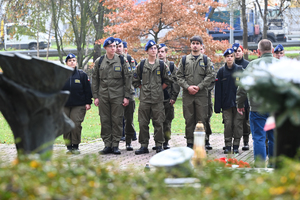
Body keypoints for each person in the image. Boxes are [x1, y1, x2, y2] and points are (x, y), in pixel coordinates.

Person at [236, 39, 277, 167]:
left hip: (257, 108)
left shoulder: (253, 65)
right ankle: (274, 166)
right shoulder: (280, 64)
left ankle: (260, 168)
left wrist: (240, 104)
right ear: (272, 50)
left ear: (258, 51)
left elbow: (243, 86)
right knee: (274, 138)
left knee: (259, 138)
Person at [91, 37, 132, 155]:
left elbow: (128, 79)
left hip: (118, 95)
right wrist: (96, 96)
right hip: (103, 95)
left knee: (117, 120)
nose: (113, 48)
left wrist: (126, 96)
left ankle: (115, 145)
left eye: (114, 46)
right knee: (105, 120)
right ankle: (107, 145)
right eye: (110, 46)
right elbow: (95, 79)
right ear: (105, 48)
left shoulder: (122, 60)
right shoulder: (100, 61)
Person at [132, 40, 173, 154]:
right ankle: (144, 145)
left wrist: (160, 88)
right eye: (151, 48)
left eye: (155, 48)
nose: (154, 50)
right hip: (145, 100)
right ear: (147, 51)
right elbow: (134, 79)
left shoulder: (161, 65)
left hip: (157, 99)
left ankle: (159, 145)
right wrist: (142, 87)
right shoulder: (141, 65)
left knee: (159, 122)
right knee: (143, 123)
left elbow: (169, 79)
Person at [176, 35, 215, 148]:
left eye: (197, 43)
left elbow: (210, 75)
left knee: (202, 119)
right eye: (193, 43)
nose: (195, 45)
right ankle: (189, 142)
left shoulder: (206, 60)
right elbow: (179, 76)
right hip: (188, 95)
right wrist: (187, 87)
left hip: (201, 94)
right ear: (190, 45)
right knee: (189, 118)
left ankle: (201, 143)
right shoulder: (184, 60)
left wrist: (200, 87)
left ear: (201, 45)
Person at [214, 48, 244, 154]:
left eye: (231, 56)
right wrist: (217, 106)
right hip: (226, 104)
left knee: (237, 125)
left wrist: (244, 103)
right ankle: (227, 145)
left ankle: (236, 145)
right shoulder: (221, 71)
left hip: (238, 104)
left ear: (234, 57)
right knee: (227, 125)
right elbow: (218, 90)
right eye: (227, 56)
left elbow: (245, 87)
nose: (230, 58)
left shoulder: (240, 70)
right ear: (225, 58)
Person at [62, 53, 93, 154]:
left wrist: (88, 102)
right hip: (64, 104)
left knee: (75, 124)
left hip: (78, 104)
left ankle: (75, 146)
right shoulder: (60, 74)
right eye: (70, 60)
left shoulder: (82, 75)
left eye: (74, 60)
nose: (72, 62)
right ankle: (68, 146)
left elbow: (87, 89)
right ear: (66, 63)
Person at [153, 43, 180, 150]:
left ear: (166, 53)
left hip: (167, 98)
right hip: (155, 99)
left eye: (162, 51)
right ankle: (158, 142)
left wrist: (173, 97)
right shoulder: (153, 64)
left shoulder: (172, 66)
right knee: (156, 121)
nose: (160, 54)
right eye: (158, 51)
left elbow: (176, 83)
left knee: (167, 122)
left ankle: (166, 142)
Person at [115, 38, 137, 151]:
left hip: (129, 93)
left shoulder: (129, 59)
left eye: (120, 46)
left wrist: (127, 95)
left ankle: (129, 142)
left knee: (129, 119)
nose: (118, 48)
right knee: (116, 119)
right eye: (116, 46)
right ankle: (116, 144)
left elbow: (133, 76)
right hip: (115, 94)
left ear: (124, 48)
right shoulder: (111, 60)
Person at [232, 43, 250, 151]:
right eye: (235, 51)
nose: (237, 53)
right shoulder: (230, 65)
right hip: (232, 97)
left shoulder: (247, 65)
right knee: (233, 122)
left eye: (239, 51)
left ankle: (246, 142)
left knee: (245, 121)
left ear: (242, 52)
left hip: (245, 97)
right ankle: (234, 142)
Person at [199, 44, 214, 150]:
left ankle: (206, 139)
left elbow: (212, 79)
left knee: (206, 117)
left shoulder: (207, 62)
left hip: (206, 95)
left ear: (204, 50)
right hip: (195, 94)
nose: (199, 51)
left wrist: (202, 87)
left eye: (201, 49)